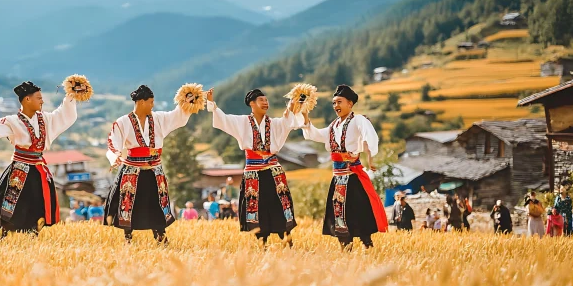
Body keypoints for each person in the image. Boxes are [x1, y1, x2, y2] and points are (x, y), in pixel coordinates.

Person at [0, 80, 81, 237]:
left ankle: (31, 238)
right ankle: (2, 239)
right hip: (19, 171)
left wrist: (71, 95)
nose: (42, 101)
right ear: (27, 99)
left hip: (38, 172)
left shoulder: (45, 119)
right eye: (39, 98)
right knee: (10, 210)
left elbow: (63, 114)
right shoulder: (11, 121)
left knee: (37, 209)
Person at [206, 87, 304, 247]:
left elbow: (287, 120)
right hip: (253, 173)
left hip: (273, 171)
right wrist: (211, 104)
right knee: (257, 208)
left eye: (266, 100)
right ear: (252, 103)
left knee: (280, 204)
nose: (266, 103)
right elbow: (223, 119)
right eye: (261, 100)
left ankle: (287, 238)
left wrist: (294, 103)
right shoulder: (242, 122)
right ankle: (262, 243)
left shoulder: (274, 123)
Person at [104, 85, 195, 244]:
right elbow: (113, 141)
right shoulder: (123, 122)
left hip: (154, 170)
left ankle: (160, 235)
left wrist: (189, 101)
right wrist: (116, 155)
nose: (153, 105)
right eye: (151, 102)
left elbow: (177, 116)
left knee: (157, 204)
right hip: (132, 170)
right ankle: (128, 237)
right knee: (129, 204)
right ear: (141, 102)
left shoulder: (159, 118)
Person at [302, 85, 388, 250]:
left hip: (353, 176)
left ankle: (367, 245)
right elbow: (316, 134)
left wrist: (371, 157)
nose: (336, 106)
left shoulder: (358, 120)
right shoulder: (333, 126)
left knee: (359, 212)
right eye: (334, 103)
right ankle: (345, 246)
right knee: (339, 212)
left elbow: (370, 136)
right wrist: (305, 115)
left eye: (339, 102)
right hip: (338, 177)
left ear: (350, 103)